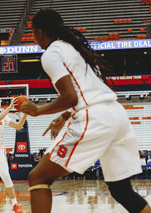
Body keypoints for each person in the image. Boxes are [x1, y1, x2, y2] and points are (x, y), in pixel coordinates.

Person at [20, 8, 151, 213]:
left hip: (95, 118)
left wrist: (37, 111)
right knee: (121, 190)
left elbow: (71, 97)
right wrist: (65, 115)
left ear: (39, 32)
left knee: (37, 177)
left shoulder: (51, 53)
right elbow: (87, 91)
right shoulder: (76, 50)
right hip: (116, 115)